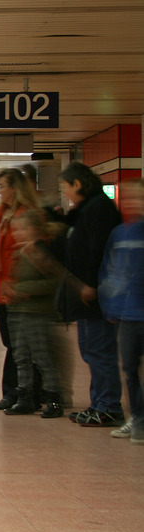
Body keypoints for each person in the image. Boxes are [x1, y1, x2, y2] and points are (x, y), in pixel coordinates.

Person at [59, 161, 124, 427]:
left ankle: (109, 406)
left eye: (66, 187)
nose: (65, 193)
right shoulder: (86, 209)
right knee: (90, 350)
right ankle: (98, 403)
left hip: (97, 295)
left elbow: (97, 250)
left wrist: (91, 285)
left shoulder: (99, 208)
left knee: (99, 350)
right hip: (86, 293)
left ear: (78, 184)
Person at [0, 168, 42, 411]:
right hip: (0, 289)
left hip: (19, 289)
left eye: (2, 186)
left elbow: (32, 254)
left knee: (22, 346)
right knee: (11, 343)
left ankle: (25, 393)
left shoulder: (29, 216)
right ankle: (14, 392)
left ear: (15, 188)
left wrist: (18, 283)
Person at [0, 211, 64, 417]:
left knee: (41, 356)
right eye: (16, 230)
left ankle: (53, 398)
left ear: (36, 229)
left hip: (36, 312)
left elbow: (56, 280)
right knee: (21, 357)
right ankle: (25, 396)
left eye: (23, 229)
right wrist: (8, 288)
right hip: (17, 310)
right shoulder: (20, 252)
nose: (18, 233)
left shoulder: (40, 252)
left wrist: (22, 289)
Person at [98, 179, 144, 441]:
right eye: (129, 198)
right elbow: (111, 271)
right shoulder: (120, 233)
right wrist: (111, 306)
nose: (134, 203)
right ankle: (137, 418)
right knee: (129, 368)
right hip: (128, 314)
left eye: (140, 198)